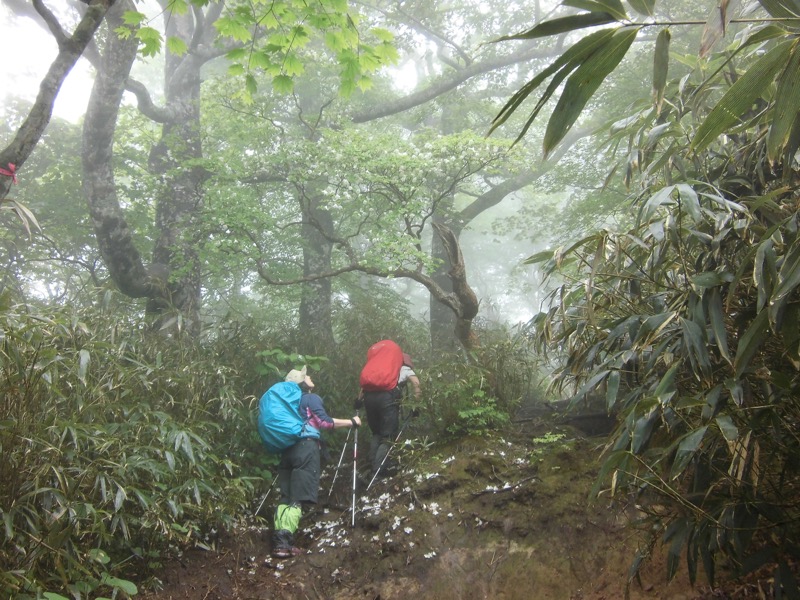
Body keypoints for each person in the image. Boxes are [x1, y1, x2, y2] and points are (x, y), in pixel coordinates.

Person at [271, 366, 361, 558]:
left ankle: (280, 541)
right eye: (306, 376)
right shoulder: (310, 398)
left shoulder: (287, 403)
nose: (310, 376)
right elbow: (324, 422)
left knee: (286, 496)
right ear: (303, 384)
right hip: (305, 448)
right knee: (298, 497)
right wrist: (351, 422)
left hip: (287, 450)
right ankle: (284, 543)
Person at [362, 351, 421, 478]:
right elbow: (416, 383)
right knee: (388, 437)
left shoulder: (380, 368)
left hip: (369, 399)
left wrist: (358, 401)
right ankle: (377, 472)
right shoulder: (403, 368)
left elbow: (364, 386)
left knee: (377, 433)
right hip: (387, 399)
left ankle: (372, 463)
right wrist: (416, 405)